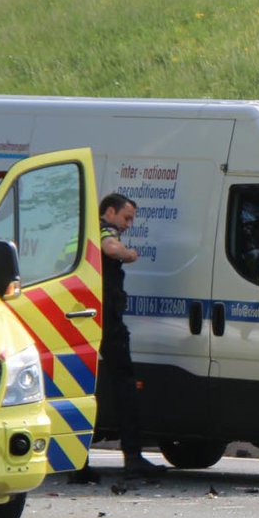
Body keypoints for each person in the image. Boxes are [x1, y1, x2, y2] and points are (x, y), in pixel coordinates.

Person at [93, 193, 166, 479]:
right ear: (110, 212)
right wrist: (128, 254)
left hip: (94, 320)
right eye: (126, 217)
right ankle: (133, 457)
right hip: (107, 324)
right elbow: (110, 247)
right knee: (125, 388)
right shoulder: (103, 228)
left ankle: (78, 464)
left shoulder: (88, 228)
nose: (128, 224)